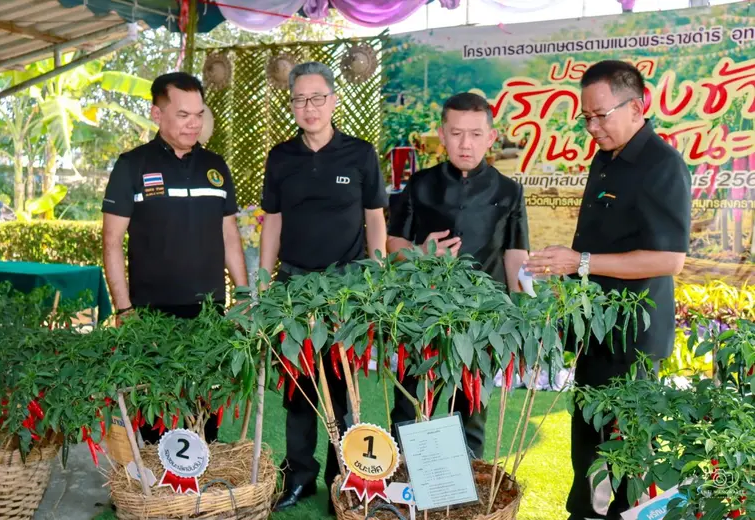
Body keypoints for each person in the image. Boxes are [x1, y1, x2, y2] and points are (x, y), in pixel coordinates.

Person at [524, 60, 691, 520]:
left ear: (637, 107)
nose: (592, 127)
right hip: (598, 333)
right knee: (588, 452)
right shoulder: (607, 158)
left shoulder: (661, 165)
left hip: (633, 342)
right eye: (586, 117)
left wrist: (580, 262)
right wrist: (566, 271)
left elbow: (669, 259)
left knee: (621, 461)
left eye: (601, 115)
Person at [259, 61, 388, 513]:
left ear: (333, 101)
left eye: (317, 98)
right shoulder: (281, 157)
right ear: (291, 103)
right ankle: (299, 477)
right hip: (293, 290)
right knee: (298, 389)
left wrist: (377, 275)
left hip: (346, 290)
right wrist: (263, 281)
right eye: (299, 99)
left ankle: (344, 478)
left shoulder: (360, 154)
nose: (308, 107)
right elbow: (271, 222)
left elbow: (375, 218)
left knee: (343, 386)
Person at [101, 72, 249, 442]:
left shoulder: (216, 167)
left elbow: (230, 235)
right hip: (151, 314)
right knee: (155, 414)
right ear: (157, 113)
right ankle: (155, 496)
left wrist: (245, 297)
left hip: (209, 311)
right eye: (183, 115)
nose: (193, 123)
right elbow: (111, 241)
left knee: (205, 412)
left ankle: (200, 495)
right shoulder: (131, 165)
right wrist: (123, 310)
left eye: (198, 114)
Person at [387, 92, 530, 459]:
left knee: (470, 413)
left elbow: (516, 254)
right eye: (456, 133)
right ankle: (401, 492)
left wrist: (525, 313)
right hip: (422, 318)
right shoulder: (420, 185)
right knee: (409, 407)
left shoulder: (510, 191)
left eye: (475, 134)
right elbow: (391, 243)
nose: (465, 144)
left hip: (481, 323)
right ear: (442, 133)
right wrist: (420, 253)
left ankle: (468, 503)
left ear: (491, 137)